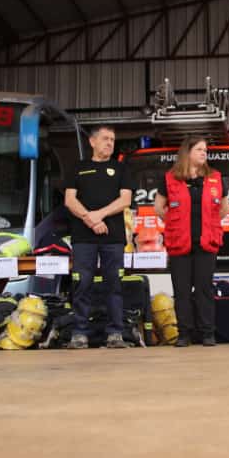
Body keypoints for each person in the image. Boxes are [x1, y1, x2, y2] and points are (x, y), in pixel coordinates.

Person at [155, 136, 229, 347]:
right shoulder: (170, 178)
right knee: (182, 291)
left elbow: (225, 208)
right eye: (199, 150)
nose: (204, 153)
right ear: (187, 153)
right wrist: (173, 223)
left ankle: (207, 333)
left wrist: (211, 224)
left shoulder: (215, 177)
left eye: (205, 150)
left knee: (205, 289)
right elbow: (159, 207)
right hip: (180, 243)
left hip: (206, 242)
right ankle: (184, 334)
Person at [64, 125, 133, 349]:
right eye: (105, 139)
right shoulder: (78, 167)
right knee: (82, 284)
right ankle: (79, 333)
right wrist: (89, 220)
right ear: (92, 142)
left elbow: (125, 200)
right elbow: (70, 200)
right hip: (83, 238)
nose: (110, 143)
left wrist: (99, 215)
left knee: (113, 285)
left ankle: (115, 333)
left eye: (112, 139)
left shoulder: (121, 168)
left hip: (113, 238)